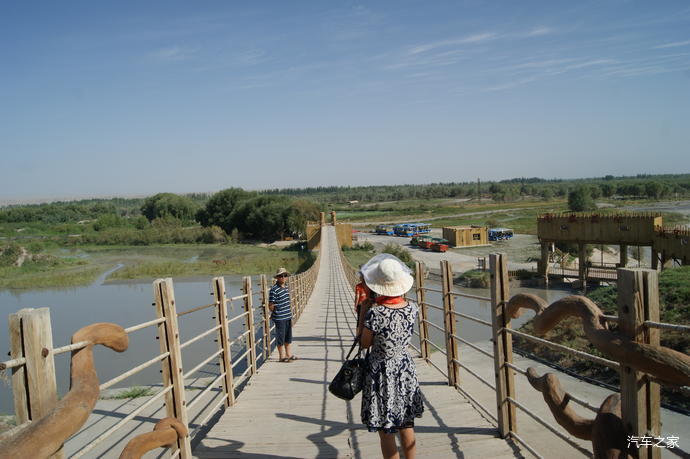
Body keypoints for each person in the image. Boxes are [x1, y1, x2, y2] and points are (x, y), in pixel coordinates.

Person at [357, 254, 424, 459]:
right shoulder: (412, 308)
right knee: (406, 423)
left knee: (386, 430)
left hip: (381, 373)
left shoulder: (375, 314)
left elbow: (365, 343)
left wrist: (363, 314)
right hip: (404, 369)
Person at [268, 267, 297, 362]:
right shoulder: (274, 289)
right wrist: (277, 312)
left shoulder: (286, 287)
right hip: (280, 317)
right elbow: (271, 305)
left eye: (285, 275)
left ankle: (289, 354)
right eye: (281, 276)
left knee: (288, 336)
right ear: (277, 278)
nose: (283, 277)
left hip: (288, 316)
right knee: (280, 336)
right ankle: (282, 356)